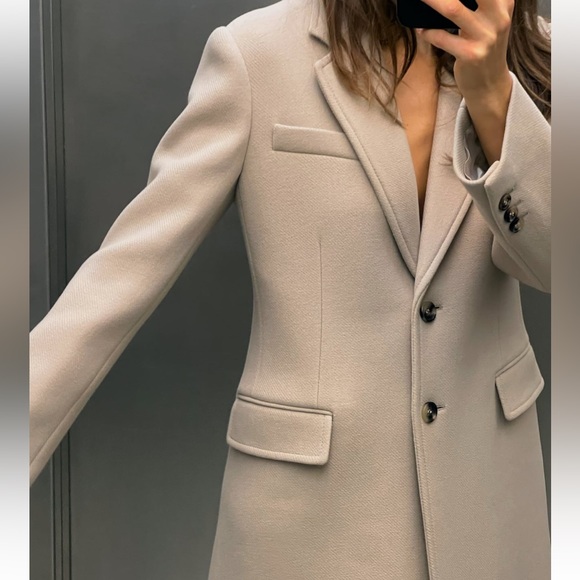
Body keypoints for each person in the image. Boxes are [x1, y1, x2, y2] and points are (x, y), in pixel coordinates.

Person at [29, 0, 551, 578]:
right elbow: (124, 271)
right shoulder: (257, 54)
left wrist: (495, 100)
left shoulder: (537, 54)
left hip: (489, 511)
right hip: (308, 523)